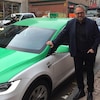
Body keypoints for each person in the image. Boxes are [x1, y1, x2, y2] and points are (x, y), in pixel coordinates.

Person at [46, 5, 100, 100]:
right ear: (75, 14)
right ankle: (81, 91)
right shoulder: (70, 23)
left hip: (89, 52)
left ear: (84, 13)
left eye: (81, 13)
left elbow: (97, 37)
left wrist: (93, 48)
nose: (80, 15)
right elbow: (62, 35)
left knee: (89, 72)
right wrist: (54, 42)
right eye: (78, 13)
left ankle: (90, 91)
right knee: (78, 72)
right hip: (77, 53)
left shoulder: (92, 23)